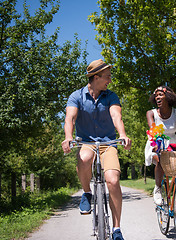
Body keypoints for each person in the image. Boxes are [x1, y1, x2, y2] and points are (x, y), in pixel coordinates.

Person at [61, 59, 131, 240]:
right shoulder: (76, 96)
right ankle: (87, 192)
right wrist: (68, 137)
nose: (109, 80)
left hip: (108, 143)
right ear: (96, 77)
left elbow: (116, 116)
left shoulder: (111, 96)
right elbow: (70, 118)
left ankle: (116, 229)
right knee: (84, 158)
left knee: (113, 181)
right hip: (86, 142)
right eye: (107, 77)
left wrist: (122, 134)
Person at [144, 86, 176, 205]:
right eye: (156, 95)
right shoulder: (151, 113)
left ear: (168, 97)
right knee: (160, 160)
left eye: (160, 95)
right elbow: (153, 129)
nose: (157, 97)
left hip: (173, 144)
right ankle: (157, 188)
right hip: (156, 143)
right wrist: (158, 144)